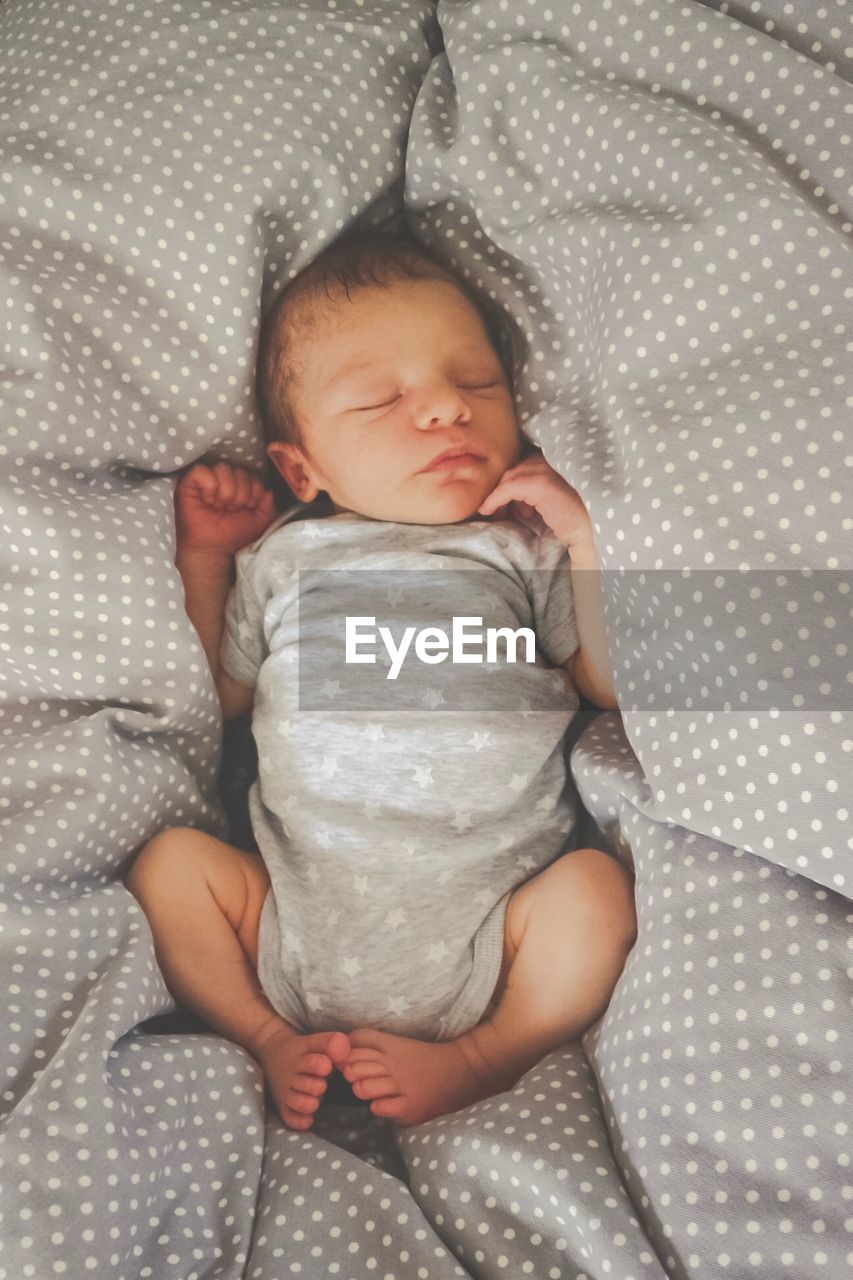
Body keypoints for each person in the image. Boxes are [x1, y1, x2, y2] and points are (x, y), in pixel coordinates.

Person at [126, 229, 637, 1131]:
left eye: (476, 383)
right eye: (379, 399)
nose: (446, 408)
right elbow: (221, 694)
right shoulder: (285, 558)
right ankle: (263, 1038)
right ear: (301, 469)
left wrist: (585, 540)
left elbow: (601, 678)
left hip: (495, 928)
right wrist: (207, 558)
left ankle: (489, 1055)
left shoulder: (516, 546)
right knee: (170, 868)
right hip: (289, 926)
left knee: (594, 894)